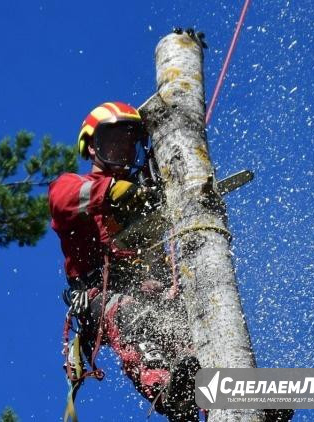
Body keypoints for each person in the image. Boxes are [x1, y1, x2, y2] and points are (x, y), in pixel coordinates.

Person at [48, 102, 200, 421]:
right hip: (102, 297)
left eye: (130, 143)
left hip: (152, 294)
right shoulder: (76, 187)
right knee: (130, 314)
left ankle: (233, 390)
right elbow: (62, 201)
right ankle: (168, 390)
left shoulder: (145, 197)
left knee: (186, 320)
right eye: (114, 141)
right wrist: (117, 192)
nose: (123, 150)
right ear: (92, 146)